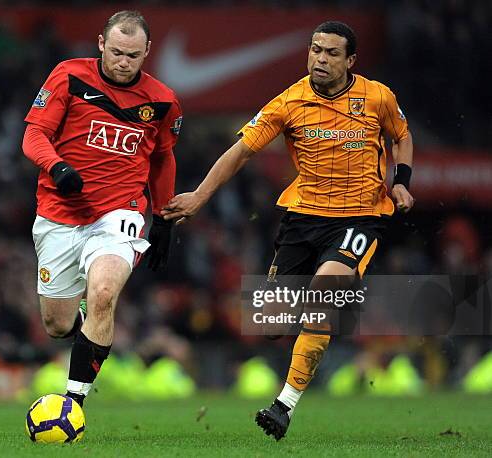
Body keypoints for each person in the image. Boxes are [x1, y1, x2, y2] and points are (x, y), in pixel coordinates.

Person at [161, 21, 413, 440]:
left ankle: (283, 405)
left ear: (350, 60)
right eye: (316, 50)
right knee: (273, 321)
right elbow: (240, 151)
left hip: (359, 216)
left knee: (325, 292)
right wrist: (200, 197)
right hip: (302, 220)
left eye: (332, 53)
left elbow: (401, 135)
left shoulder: (377, 96)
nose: (320, 59)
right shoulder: (288, 102)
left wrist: (402, 180)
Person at [22, 10, 182, 406]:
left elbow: (162, 160)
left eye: (132, 55)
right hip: (59, 212)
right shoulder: (69, 76)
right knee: (57, 325)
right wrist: (57, 167)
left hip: (119, 213)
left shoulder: (162, 102)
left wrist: (162, 218)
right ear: (100, 45)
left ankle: (73, 404)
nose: (123, 62)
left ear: (146, 51)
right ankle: (91, 328)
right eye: (116, 52)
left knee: (104, 293)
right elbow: (34, 133)